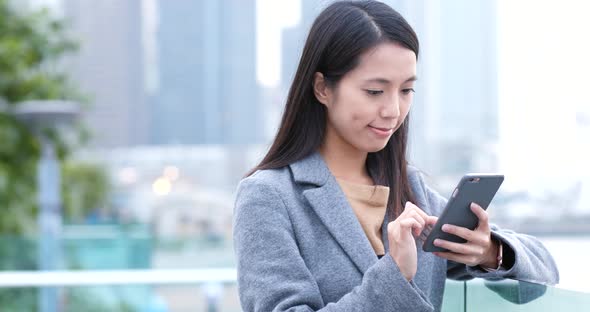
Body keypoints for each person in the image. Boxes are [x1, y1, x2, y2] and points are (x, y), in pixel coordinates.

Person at [232, 1, 559, 311]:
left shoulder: (411, 190)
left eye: (406, 90)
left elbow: (545, 269)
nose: (393, 111)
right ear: (322, 88)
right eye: (375, 91)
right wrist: (395, 275)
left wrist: (488, 250)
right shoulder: (269, 196)